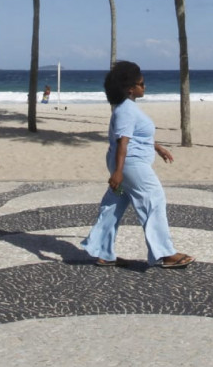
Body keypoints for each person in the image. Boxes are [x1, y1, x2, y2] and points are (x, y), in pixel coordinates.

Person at [81, 60, 193, 269]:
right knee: (154, 199)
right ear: (130, 89)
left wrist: (157, 148)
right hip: (130, 166)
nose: (145, 87)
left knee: (114, 205)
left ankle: (103, 252)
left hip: (127, 164)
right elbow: (122, 142)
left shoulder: (128, 108)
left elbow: (135, 137)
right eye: (141, 84)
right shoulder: (126, 110)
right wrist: (118, 173)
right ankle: (166, 253)